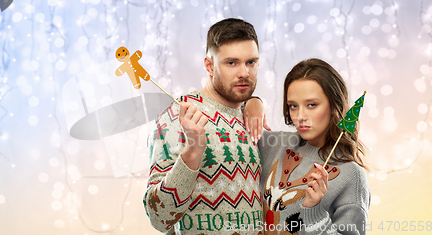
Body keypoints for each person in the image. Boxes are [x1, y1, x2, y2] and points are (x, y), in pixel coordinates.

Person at [143, 18, 265, 234]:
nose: (244, 73)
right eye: (231, 63)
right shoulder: (177, 115)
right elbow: (159, 219)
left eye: (251, 62)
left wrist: (256, 101)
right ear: (209, 65)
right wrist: (192, 153)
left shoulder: (250, 115)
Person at [244, 58, 370, 234]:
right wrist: (253, 102)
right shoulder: (274, 144)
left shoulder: (352, 176)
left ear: (334, 105)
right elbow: (229, 116)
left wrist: (314, 212)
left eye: (312, 105)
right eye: (293, 106)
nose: (300, 116)